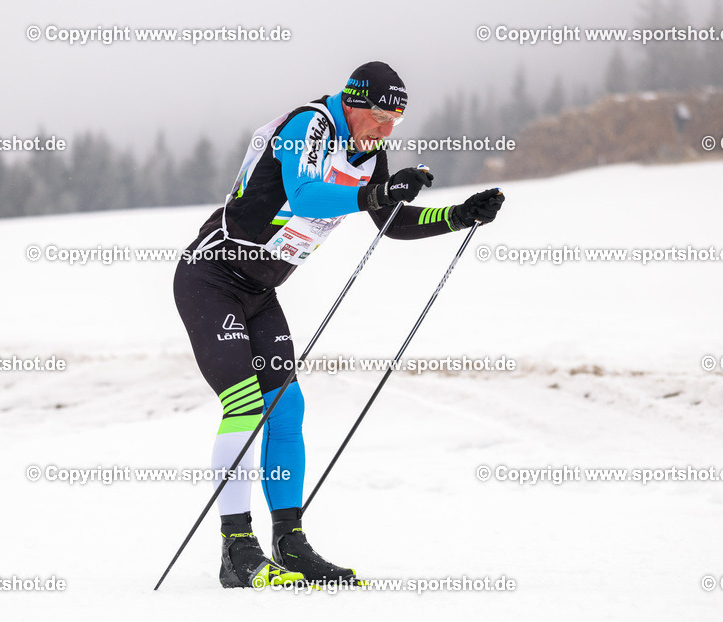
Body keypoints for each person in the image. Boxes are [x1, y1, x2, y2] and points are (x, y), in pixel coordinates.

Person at [173, 61, 504, 588]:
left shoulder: (368, 149)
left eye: (397, 119)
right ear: (352, 101)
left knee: (288, 409)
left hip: (259, 292)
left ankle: (290, 542)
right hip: (210, 278)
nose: (386, 128)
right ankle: (236, 550)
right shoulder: (308, 126)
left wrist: (459, 215)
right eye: (378, 116)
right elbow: (304, 193)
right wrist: (378, 192)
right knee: (244, 405)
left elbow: (390, 223)